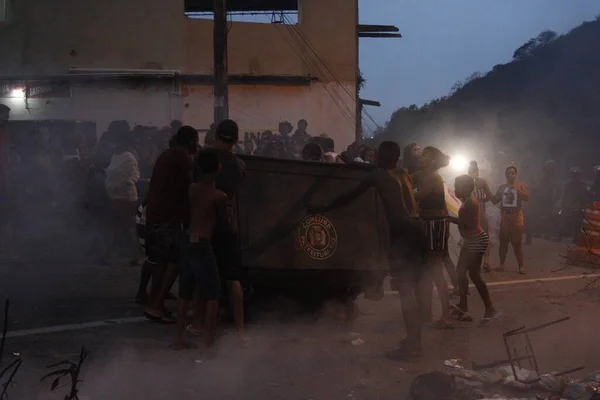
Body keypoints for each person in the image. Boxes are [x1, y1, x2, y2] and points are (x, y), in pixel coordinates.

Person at [308, 141, 428, 360]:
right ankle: (414, 341)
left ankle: (413, 347)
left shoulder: (379, 177)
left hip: (403, 234)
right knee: (413, 290)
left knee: (405, 292)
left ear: (382, 157)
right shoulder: (403, 173)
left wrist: (321, 209)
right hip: (419, 231)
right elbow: (376, 171)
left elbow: (349, 196)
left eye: (378, 155)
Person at [192, 119, 249, 344]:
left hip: (204, 224)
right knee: (233, 279)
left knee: (201, 277)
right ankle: (240, 330)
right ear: (235, 140)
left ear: (216, 136)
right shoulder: (239, 166)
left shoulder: (203, 158)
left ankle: (198, 324)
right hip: (228, 225)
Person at [173, 149, 227, 351]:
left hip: (187, 240)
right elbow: (223, 223)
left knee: (184, 291)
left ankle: (178, 338)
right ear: (218, 168)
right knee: (213, 293)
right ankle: (208, 340)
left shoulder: (192, 189)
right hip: (203, 244)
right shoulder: (219, 196)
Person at [144, 126, 199, 323]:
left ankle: (153, 303)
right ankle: (156, 304)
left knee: (162, 262)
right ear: (190, 141)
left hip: (157, 216)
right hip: (167, 217)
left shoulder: (168, 154)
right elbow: (191, 184)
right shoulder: (181, 155)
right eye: (196, 141)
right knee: (175, 261)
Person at [411, 146, 453, 329]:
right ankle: (426, 313)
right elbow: (407, 180)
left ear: (433, 161)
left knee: (435, 270)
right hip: (426, 223)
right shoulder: (423, 173)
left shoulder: (433, 177)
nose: (421, 157)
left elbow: (417, 195)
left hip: (435, 224)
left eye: (426, 156)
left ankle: (445, 316)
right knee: (426, 270)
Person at [448, 174, 497, 322]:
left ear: (465, 187)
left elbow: (467, 225)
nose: (455, 189)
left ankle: (489, 308)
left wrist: (450, 219)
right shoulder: (467, 201)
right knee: (461, 272)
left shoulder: (471, 203)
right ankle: (464, 305)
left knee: (473, 275)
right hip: (472, 241)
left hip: (476, 240)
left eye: (457, 186)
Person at [104, 130, 142, 264]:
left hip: (126, 198)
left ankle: (136, 255)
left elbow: (135, 175)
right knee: (113, 226)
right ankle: (110, 255)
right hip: (115, 197)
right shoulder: (115, 156)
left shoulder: (129, 157)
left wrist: (125, 184)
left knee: (128, 227)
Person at [491, 166, 529, 274]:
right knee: (503, 242)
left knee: (517, 243)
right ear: (505, 174)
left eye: (513, 173)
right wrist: (486, 193)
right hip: (504, 216)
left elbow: (527, 198)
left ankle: (521, 266)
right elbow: (495, 200)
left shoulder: (520, 185)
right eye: (508, 173)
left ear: (516, 174)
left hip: (517, 216)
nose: (511, 175)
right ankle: (501, 264)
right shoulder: (502, 187)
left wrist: (518, 190)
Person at [468, 161, 494, 271]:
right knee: (480, 236)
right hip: (475, 212)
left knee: (479, 237)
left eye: (474, 171)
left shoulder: (479, 181)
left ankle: (485, 261)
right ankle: (483, 261)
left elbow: (489, 196)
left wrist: (480, 200)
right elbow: (489, 196)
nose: (474, 173)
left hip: (478, 212)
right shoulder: (470, 182)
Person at [556, 167, 588, 243]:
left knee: (577, 224)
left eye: (576, 174)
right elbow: (565, 196)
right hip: (569, 206)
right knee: (562, 222)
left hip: (577, 206)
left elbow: (584, 196)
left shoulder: (582, 185)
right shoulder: (568, 184)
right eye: (574, 174)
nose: (575, 176)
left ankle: (575, 238)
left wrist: (583, 206)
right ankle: (559, 236)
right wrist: (562, 206)